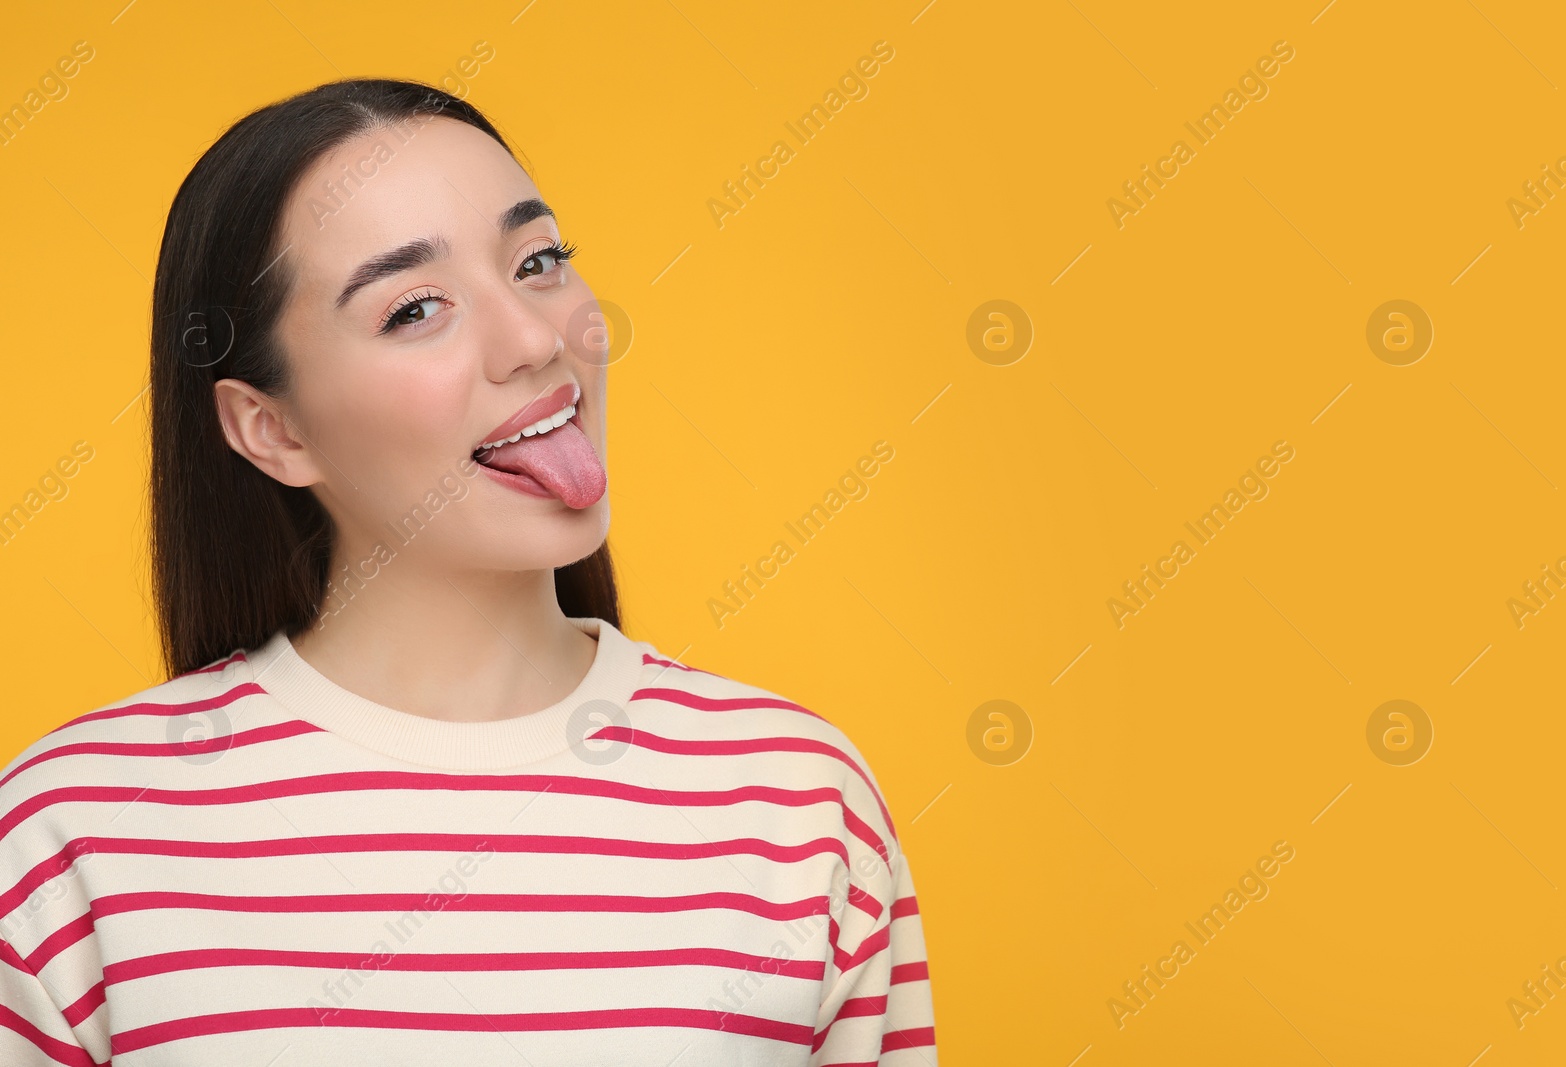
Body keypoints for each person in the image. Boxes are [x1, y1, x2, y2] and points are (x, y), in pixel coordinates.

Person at [0, 78, 935, 1065]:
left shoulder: (795, 801)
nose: (537, 338)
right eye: (414, 309)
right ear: (271, 429)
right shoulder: (69, 835)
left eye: (537, 261)